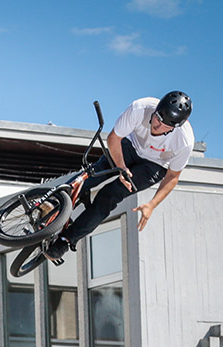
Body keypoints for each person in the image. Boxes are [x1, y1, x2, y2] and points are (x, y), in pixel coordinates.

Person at [45, 91, 193, 263]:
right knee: (99, 169)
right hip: (130, 145)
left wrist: (152, 204)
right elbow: (114, 138)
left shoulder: (184, 141)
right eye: (158, 118)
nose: (157, 126)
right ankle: (55, 202)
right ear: (156, 109)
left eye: (165, 126)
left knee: (110, 195)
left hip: (155, 165)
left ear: (176, 126)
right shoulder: (140, 108)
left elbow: (173, 176)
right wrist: (121, 168)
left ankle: (66, 240)